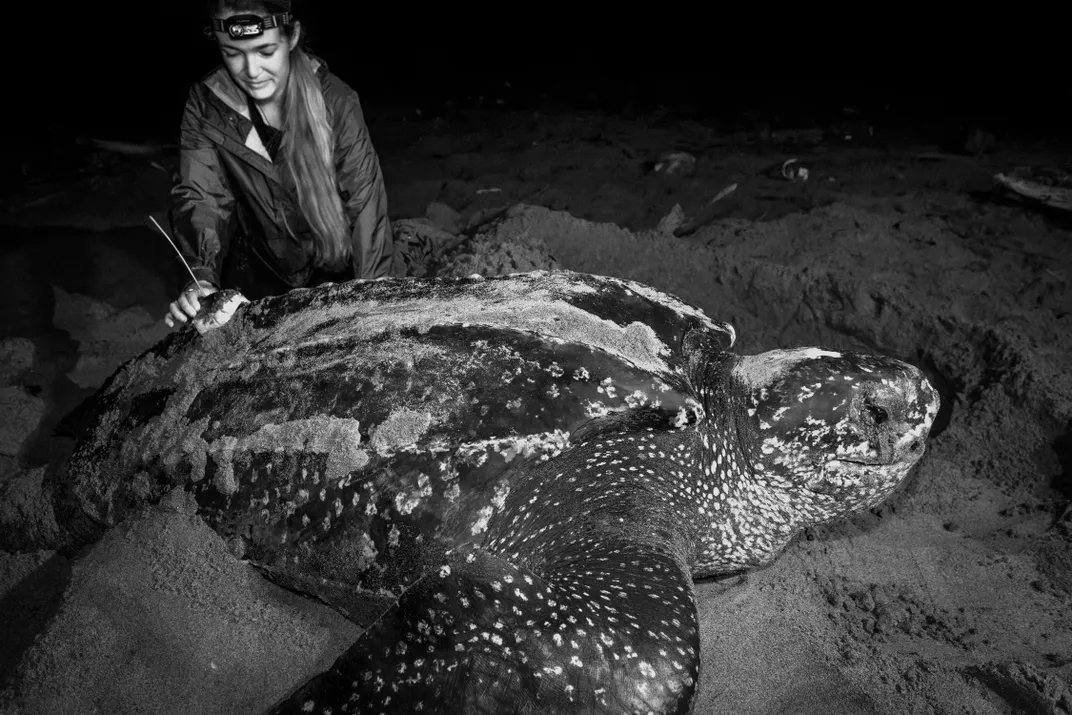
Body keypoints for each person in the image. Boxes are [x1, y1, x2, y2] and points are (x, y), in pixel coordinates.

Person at [165, 0, 394, 328]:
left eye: (265, 50)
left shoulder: (336, 99)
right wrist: (201, 276)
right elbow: (201, 196)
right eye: (233, 53)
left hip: (340, 265)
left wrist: (373, 295)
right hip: (264, 267)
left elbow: (365, 203)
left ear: (292, 37)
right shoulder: (206, 105)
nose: (252, 70)